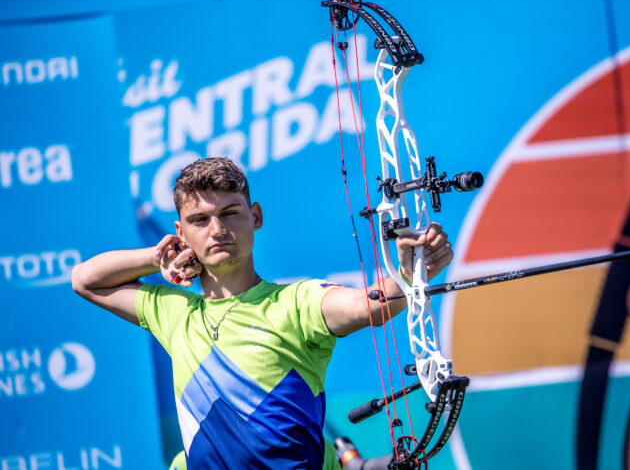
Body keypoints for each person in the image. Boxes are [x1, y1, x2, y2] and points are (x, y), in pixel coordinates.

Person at [71, 157, 454, 469]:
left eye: (230, 213)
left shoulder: (295, 302)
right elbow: (85, 280)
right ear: (181, 232)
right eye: (200, 220)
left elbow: (367, 305)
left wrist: (408, 275)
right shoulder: (174, 312)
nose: (217, 229)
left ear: (255, 216)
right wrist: (157, 256)